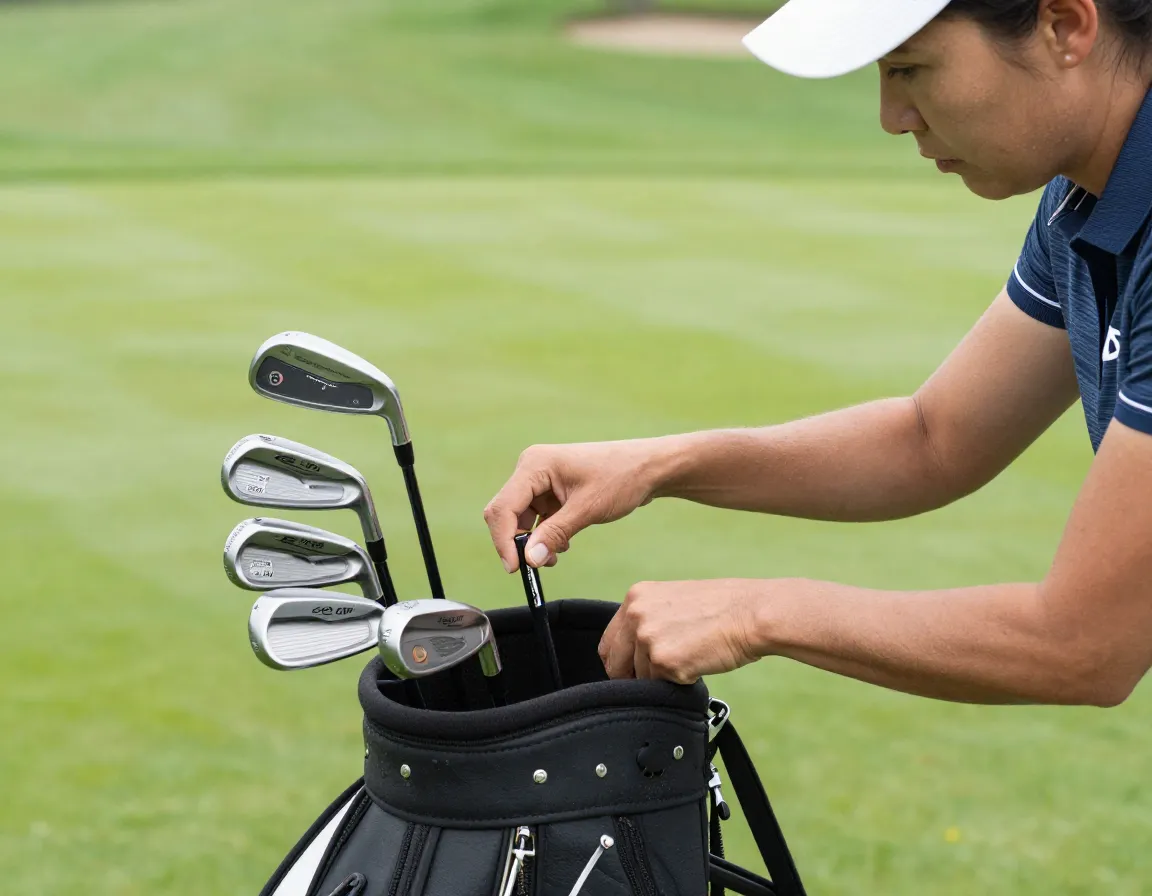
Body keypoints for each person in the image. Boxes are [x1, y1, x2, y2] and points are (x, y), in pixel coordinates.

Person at [484, 0, 1152, 706]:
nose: (893, 116)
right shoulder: (1075, 202)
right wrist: (658, 464)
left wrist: (758, 614)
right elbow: (934, 438)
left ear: (1066, 26)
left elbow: (1083, 646)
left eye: (910, 68)